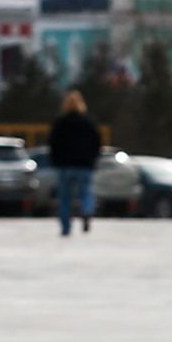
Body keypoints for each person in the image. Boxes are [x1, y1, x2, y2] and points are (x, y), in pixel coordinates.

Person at [44, 91, 102, 238]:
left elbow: (53, 143)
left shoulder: (60, 122)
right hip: (85, 165)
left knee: (64, 198)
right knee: (85, 193)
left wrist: (55, 160)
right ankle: (86, 210)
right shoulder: (88, 122)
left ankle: (65, 228)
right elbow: (97, 143)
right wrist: (93, 159)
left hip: (65, 165)